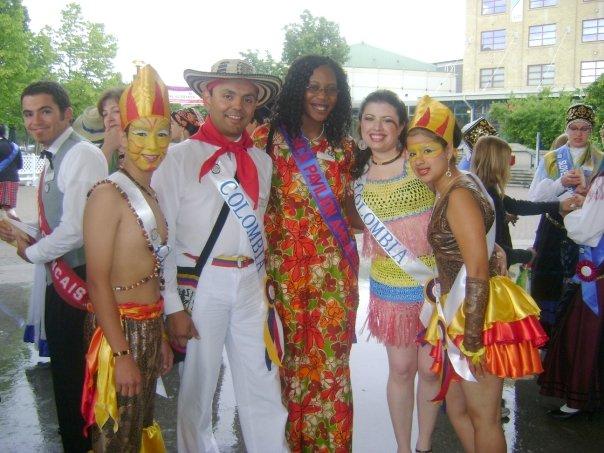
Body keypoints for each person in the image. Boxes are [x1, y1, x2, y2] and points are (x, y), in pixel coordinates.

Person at [152, 59, 288, 453]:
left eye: (247, 99)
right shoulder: (177, 159)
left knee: (263, 380)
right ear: (206, 96)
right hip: (201, 281)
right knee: (198, 385)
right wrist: (173, 305)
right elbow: (164, 238)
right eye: (228, 95)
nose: (238, 106)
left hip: (249, 283)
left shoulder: (262, 162)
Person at [407, 96, 546, 453]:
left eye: (428, 150)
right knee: (457, 408)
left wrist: (472, 340)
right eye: (413, 153)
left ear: (449, 149)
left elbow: (479, 269)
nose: (419, 160)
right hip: (457, 312)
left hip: (474, 318)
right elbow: (486, 249)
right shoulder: (458, 184)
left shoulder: (458, 195)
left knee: (482, 415)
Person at [252, 54, 359, 452]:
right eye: (313, 86)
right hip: (283, 276)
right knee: (286, 365)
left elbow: (353, 211)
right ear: (298, 88)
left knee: (330, 367)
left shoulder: (345, 148)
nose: (322, 96)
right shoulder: (266, 138)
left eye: (331, 89)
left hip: (334, 276)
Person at [0, 81, 108, 452]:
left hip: (78, 278)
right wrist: (18, 230)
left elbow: (76, 230)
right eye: (28, 114)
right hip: (61, 277)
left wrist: (30, 253)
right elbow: (55, 223)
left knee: (75, 378)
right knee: (65, 374)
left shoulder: (80, 155)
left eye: (45, 111)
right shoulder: (53, 155)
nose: (35, 121)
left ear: (66, 113)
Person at [80, 64, 173, 451]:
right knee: (114, 435)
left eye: (161, 134)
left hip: (150, 328)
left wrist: (162, 336)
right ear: (121, 137)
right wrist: (121, 355)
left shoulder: (152, 192)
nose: (151, 146)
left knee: (139, 429)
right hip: (117, 331)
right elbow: (97, 281)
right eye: (140, 133)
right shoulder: (107, 195)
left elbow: (154, 269)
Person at [350, 90, 439, 453]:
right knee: (401, 370)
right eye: (370, 118)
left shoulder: (417, 162)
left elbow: (458, 199)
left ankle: (425, 444)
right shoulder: (353, 171)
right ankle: (403, 447)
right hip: (389, 284)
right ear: (360, 124)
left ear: (401, 127)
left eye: (387, 120)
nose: (377, 127)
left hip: (434, 281)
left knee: (432, 369)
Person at [528, 104, 603, 336]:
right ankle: (545, 341)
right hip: (553, 229)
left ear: (591, 131)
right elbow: (534, 199)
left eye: (584, 128)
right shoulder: (551, 159)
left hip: (587, 233)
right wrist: (560, 183)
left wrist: (586, 195)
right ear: (566, 129)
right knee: (547, 287)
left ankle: (573, 341)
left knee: (580, 286)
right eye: (574, 128)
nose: (579, 133)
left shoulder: (600, 159)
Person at [539, 161, 604, 418]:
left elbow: (585, 230)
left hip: (597, 277)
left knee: (585, 334)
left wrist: (570, 214)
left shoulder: (601, 181)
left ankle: (579, 398)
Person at [471, 135, 581, 268]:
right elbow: (496, 249)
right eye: (509, 160)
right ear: (497, 163)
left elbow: (517, 206)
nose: (510, 166)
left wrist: (559, 205)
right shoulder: (491, 197)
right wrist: (528, 255)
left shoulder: (481, 188)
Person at [97, 88, 126, 173]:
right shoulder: (97, 151)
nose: (109, 119)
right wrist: (108, 148)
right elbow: (90, 183)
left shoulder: (146, 148)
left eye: (116, 111)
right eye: (105, 114)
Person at [0, 124, 23, 219]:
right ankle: (17, 229)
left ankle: (14, 229)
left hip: (1, 180)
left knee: (6, 210)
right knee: (9, 209)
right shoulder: (15, 147)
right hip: (13, 179)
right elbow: (20, 165)